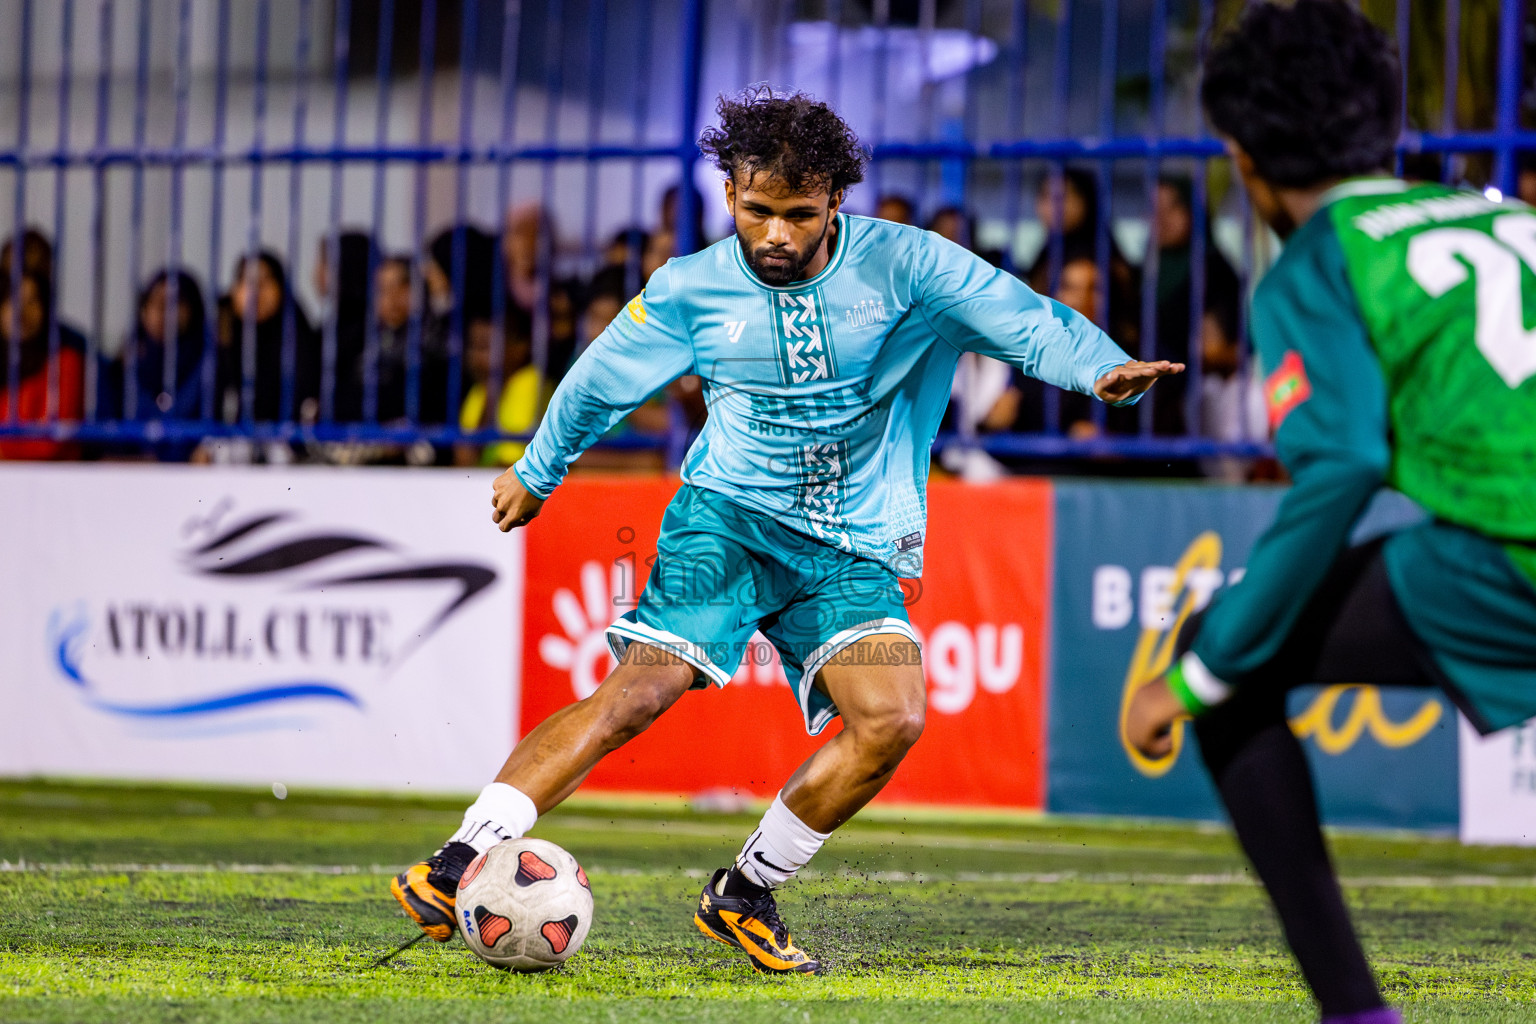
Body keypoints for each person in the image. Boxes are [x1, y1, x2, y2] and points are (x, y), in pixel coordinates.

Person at [392, 85, 1180, 974]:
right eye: (757, 210)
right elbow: (599, 381)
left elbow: (1018, 315)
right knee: (642, 690)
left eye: (798, 215)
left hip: (850, 548)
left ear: (835, 202)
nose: (774, 233)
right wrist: (537, 471)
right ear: (729, 195)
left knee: (892, 717)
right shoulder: (690, 289)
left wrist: (1101, 367)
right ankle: (457, 858)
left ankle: (745, 891)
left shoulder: (910, 268)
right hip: (725, 521)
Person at [1125, 4, 1536, 1023]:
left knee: (1225, 670)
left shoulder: (1318, 258)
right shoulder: (1504, 212)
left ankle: (1355, 1013)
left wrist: (1196, 671)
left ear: (1243, 160)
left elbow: (1342, 462)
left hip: (1514, 560)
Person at [98, 269, 212, 459]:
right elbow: (106, 436)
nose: (160, 310)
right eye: (152, 301)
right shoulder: (123, 367)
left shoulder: (210, 365)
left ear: (193, 309)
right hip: (130, 477)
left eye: (173, 303)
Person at [0, 271, 85, 460]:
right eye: (12, 300)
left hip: (54, 481)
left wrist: (5, 452)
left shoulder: (66, 362)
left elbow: (54, 440)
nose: (21, 311)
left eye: (32, 301)